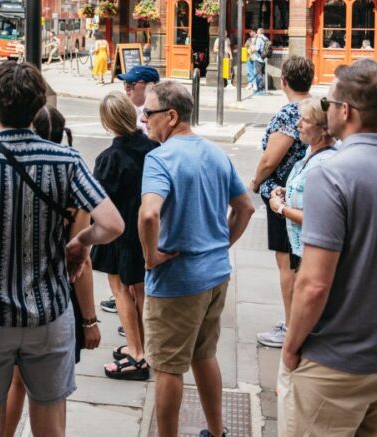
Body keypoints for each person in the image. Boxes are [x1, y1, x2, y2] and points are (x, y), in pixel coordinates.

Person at [0, 61, 124, 437]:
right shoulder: (67, 161)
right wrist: (81, 243)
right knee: (51, 421)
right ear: (39, 106)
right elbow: (113, 224)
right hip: (49, 317)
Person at [278, 59, 377, 436]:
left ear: (346, 111)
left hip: (336, 363)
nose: (326, 109)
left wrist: (292, 345)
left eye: (329, 104)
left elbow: (313, 284)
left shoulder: (331, 174)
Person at [139, 82, 254, 437]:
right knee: (205, 355)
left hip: (178, 281)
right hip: (216, 274)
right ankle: (217, 432)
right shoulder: (215, 152)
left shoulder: (160, 158)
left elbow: (148, 215)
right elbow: (245, 207)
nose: (143, 120)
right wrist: (221, 244)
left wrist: (151, 257)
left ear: (171, 117)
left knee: (168, 368)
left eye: (149, 113)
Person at [3, 105, 102, 436]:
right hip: (56, 299)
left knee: (14, 385)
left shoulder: (3, 168)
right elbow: (82, 259)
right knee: (52, 395)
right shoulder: (70, 176)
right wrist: (89, 320)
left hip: (7, 294)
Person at [91, 92, 159, 381]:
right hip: (146, 228)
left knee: (120, 290)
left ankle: (135, 352)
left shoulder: (109, 158)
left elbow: (97, 202)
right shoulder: (154, 147)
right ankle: (146, 347)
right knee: (141, 290)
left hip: (119, 232)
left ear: (108, 123)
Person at [251, 56, 313, 348]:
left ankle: (291, 327)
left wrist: (255, 182)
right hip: (306, 192)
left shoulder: (290, 114)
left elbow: (270, 159)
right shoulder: (316, 107)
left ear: (284, 81)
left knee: (287, 263)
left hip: (283, 195)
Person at [267, 98, 337, 273]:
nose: (298, 124)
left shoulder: (323, 164)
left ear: (324, 129)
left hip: (312, 258)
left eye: (305, 120)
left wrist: (281, 208)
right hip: (301, 252)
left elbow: (316, 218)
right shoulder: (310, 151)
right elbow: (307, 191)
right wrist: (286, 190)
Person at [119, 65, 160, 134]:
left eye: (130, 83)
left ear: (150, 86)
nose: (126, 88)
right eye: (125, 83)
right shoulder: (128, 112)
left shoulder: (160, 114)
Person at [251, 28, 268, 94]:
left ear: (259, 32)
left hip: (258, 58)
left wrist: (252, 48)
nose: (256, 33)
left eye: (257, 32)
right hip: (264, 58)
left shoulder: (259, 39)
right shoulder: (266, 38)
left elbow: (257, 48)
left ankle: (260, 89)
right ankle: (263, 88)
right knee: (263, 73)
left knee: (258, 74)